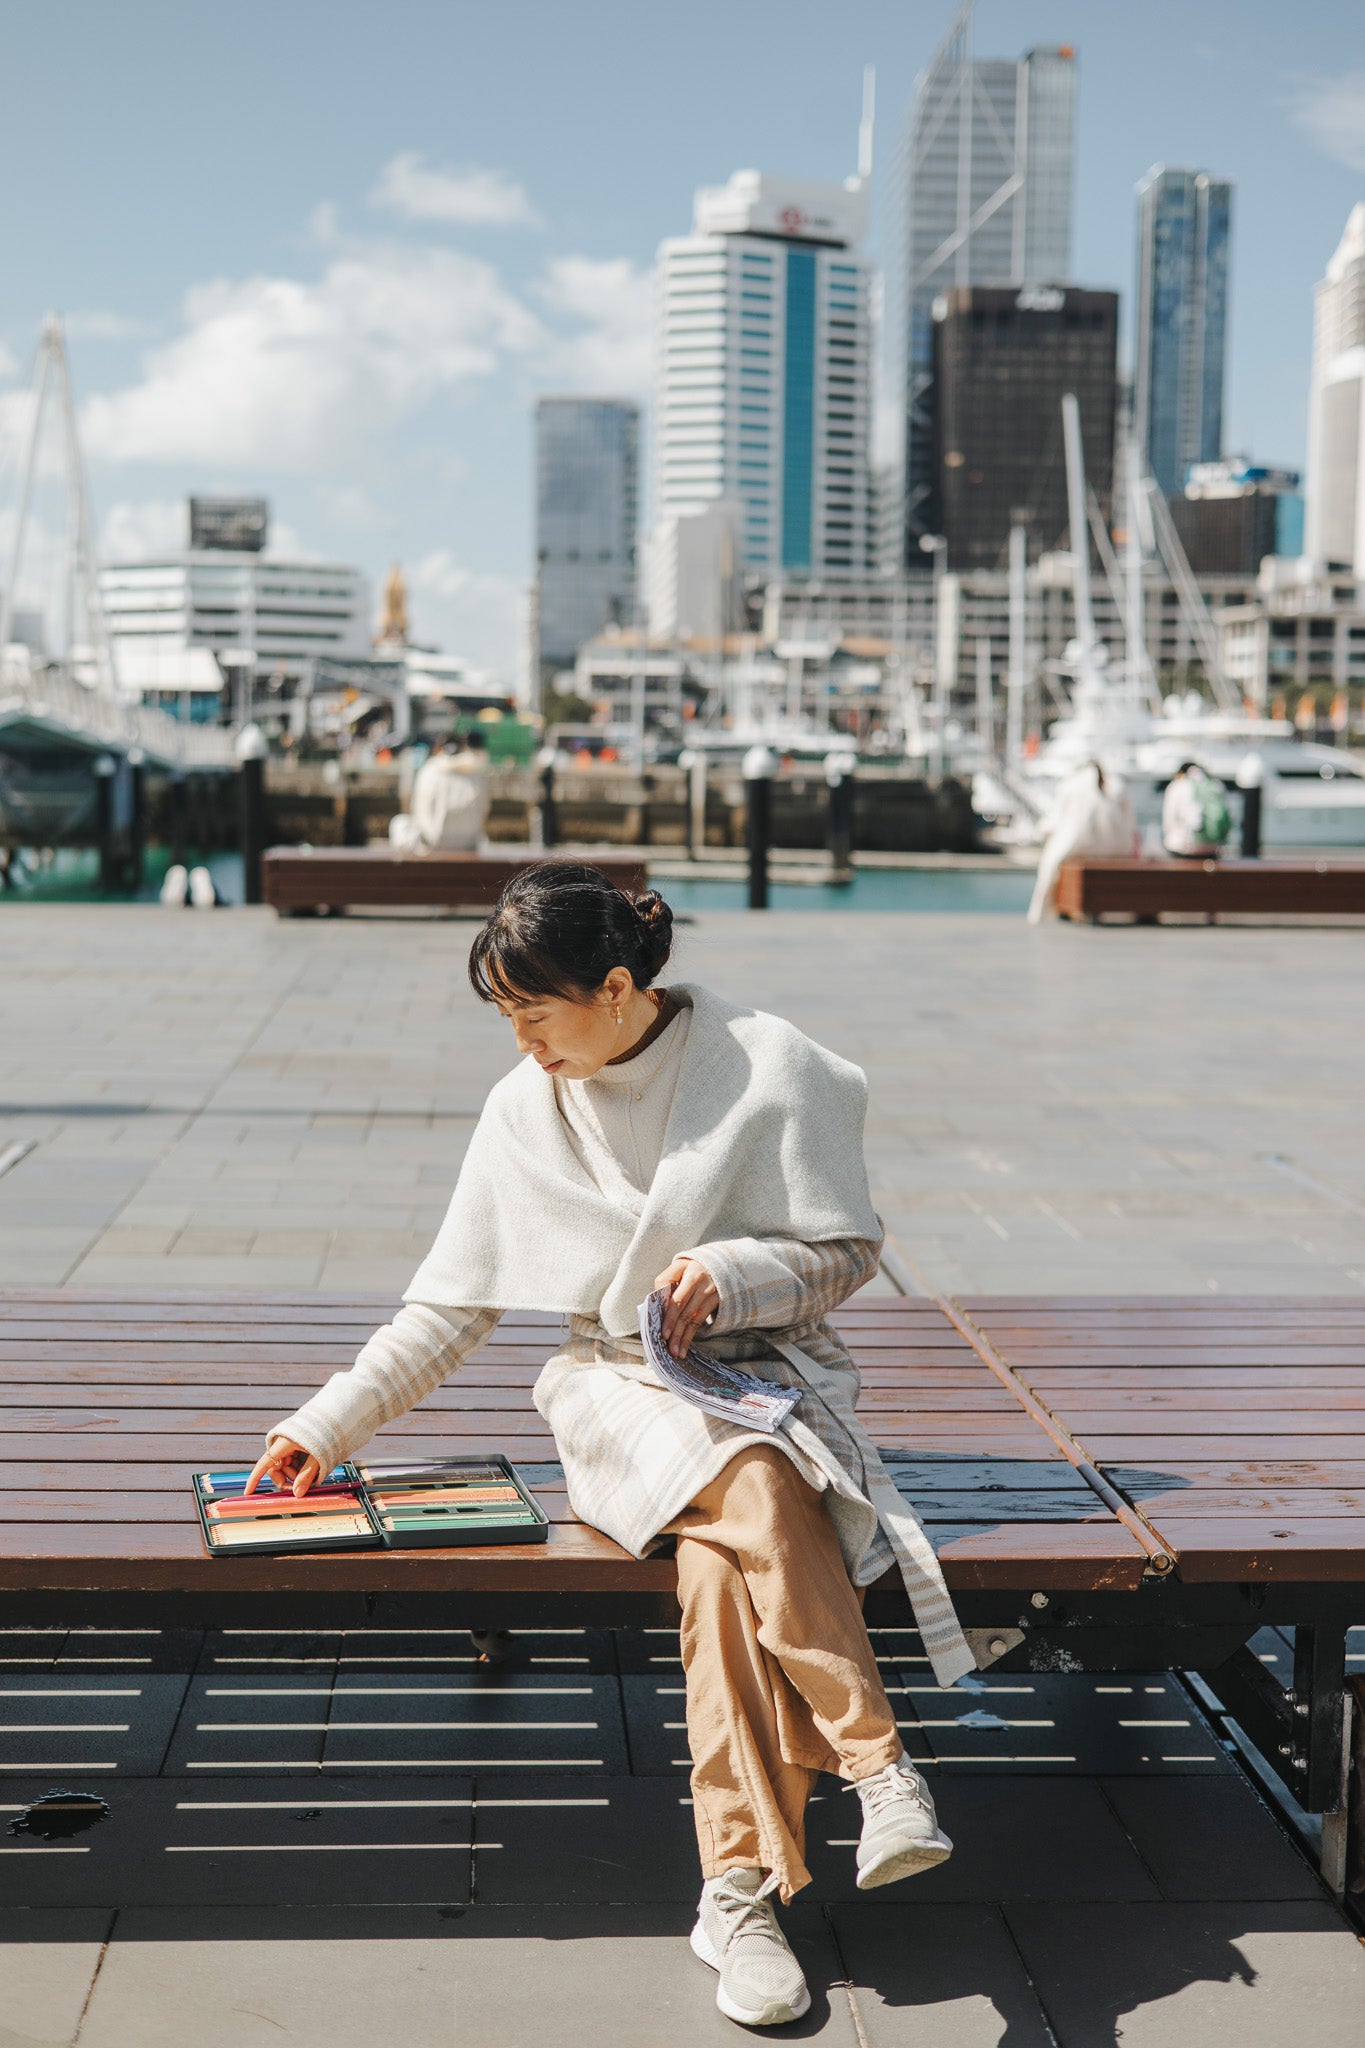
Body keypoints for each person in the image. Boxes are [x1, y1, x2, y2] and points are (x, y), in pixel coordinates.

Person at [244, 862, 979, 2031]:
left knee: (717, 1574)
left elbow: (846, 1248)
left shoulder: (769, 1065)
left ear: (621, 985)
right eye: (506, 1017)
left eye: (537, 1012)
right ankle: (879, 1765)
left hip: (763, 1371)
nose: (523, 1042)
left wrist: (734, 1274)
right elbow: (450, 1308)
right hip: (614, 1387)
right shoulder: (523, 1108)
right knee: (745, 1474)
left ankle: (736, 1892)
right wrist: (323, 1424)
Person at [1027, 759, 1138, 923]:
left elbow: (1056, 819)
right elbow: (1130, 823)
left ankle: (1046, 910)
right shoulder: (1116, 786)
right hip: (1115, 848)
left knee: (1050, 864)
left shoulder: (1071, 786)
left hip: (1077, 845)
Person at [389, 729, 490, 852]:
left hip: (434, 847)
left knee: (399, 823)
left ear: (439, 748)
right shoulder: (476, 773)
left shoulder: (430, 770)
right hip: (468, 846)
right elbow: (485, 810)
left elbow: (418, 809)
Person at [1162, 759, 1230, 860]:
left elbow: (1168, 822)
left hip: (1183, 849)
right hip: (1211, 850)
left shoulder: (1177, 786)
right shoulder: (1216, 785)